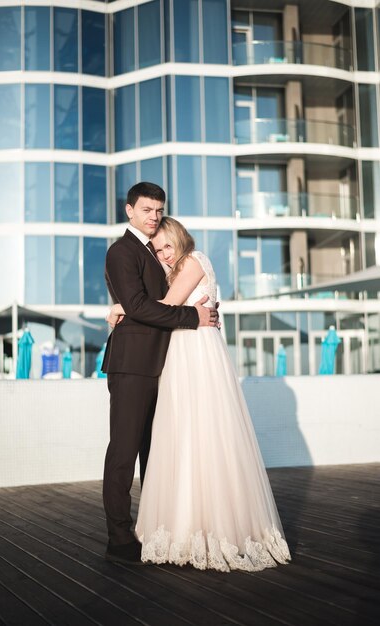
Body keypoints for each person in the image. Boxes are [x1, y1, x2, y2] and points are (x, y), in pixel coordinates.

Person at [108, 217, 291, 572]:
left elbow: (166, 304)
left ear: (179, 237)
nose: (163, 254)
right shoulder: (178, 266)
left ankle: (212, 525)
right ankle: (188, 521)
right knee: (185, 438)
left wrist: (119, 308)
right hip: (182, 352)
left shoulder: (193, 261)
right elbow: (166, 306)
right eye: (158, 249)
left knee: (203, 434)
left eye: (166, 245)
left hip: (196, 353)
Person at [102, 183, 218, 565]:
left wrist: (122, 306)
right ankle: (119, 537)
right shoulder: (122, 251)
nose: (154, 216)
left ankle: (155, 529)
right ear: (129, 210)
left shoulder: (158, 254)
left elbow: (150, 300)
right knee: (124, 450)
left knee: (157, 452)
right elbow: (139, 305)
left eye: (159, 210)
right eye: (147, 209)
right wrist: (192, 317)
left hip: (164, 366)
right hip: (133, 365)